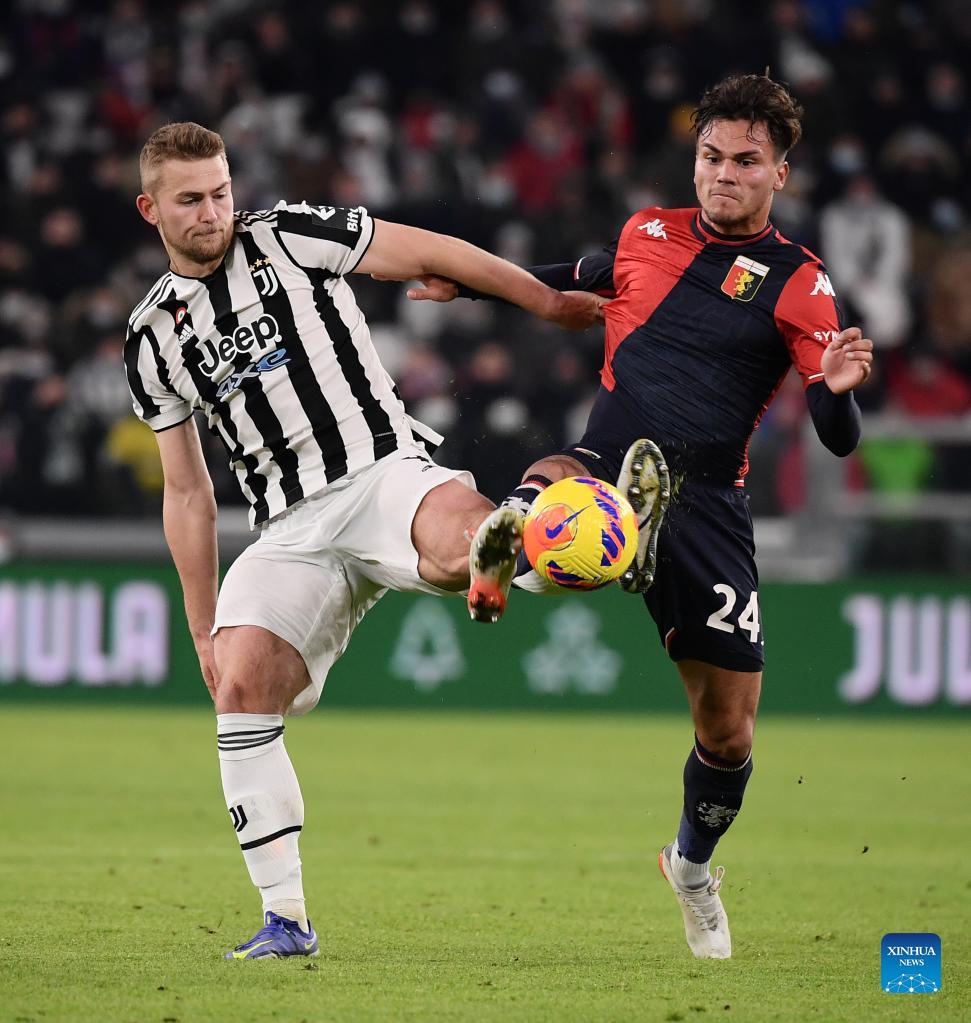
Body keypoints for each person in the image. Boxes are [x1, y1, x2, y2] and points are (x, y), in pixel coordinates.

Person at [400, 74, 874, 959]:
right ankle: (513, 534)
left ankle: (690, 867)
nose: (721, 174)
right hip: (609, 469)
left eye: (744, 162)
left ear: (780, 173)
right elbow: (568, 281)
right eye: (709, 156)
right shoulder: (644, 232)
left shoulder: (800, 285)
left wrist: (840, 396)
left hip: (706, 512)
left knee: (726, 735)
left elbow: (837, 437)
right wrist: (464, 287)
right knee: (562, 479)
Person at [124, 122, 602, 961]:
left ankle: (529, 552)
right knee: (239, 687)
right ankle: (286, 920)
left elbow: (437, 249)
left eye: (222, 191)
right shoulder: (151, 336)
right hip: (287, 530)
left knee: (465, 536)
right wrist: (200, 626)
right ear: (150, 207)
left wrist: (545, 300)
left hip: (382, 472)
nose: (213, 211)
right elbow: (188, 490)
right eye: (192, 199)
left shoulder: (290, 236)